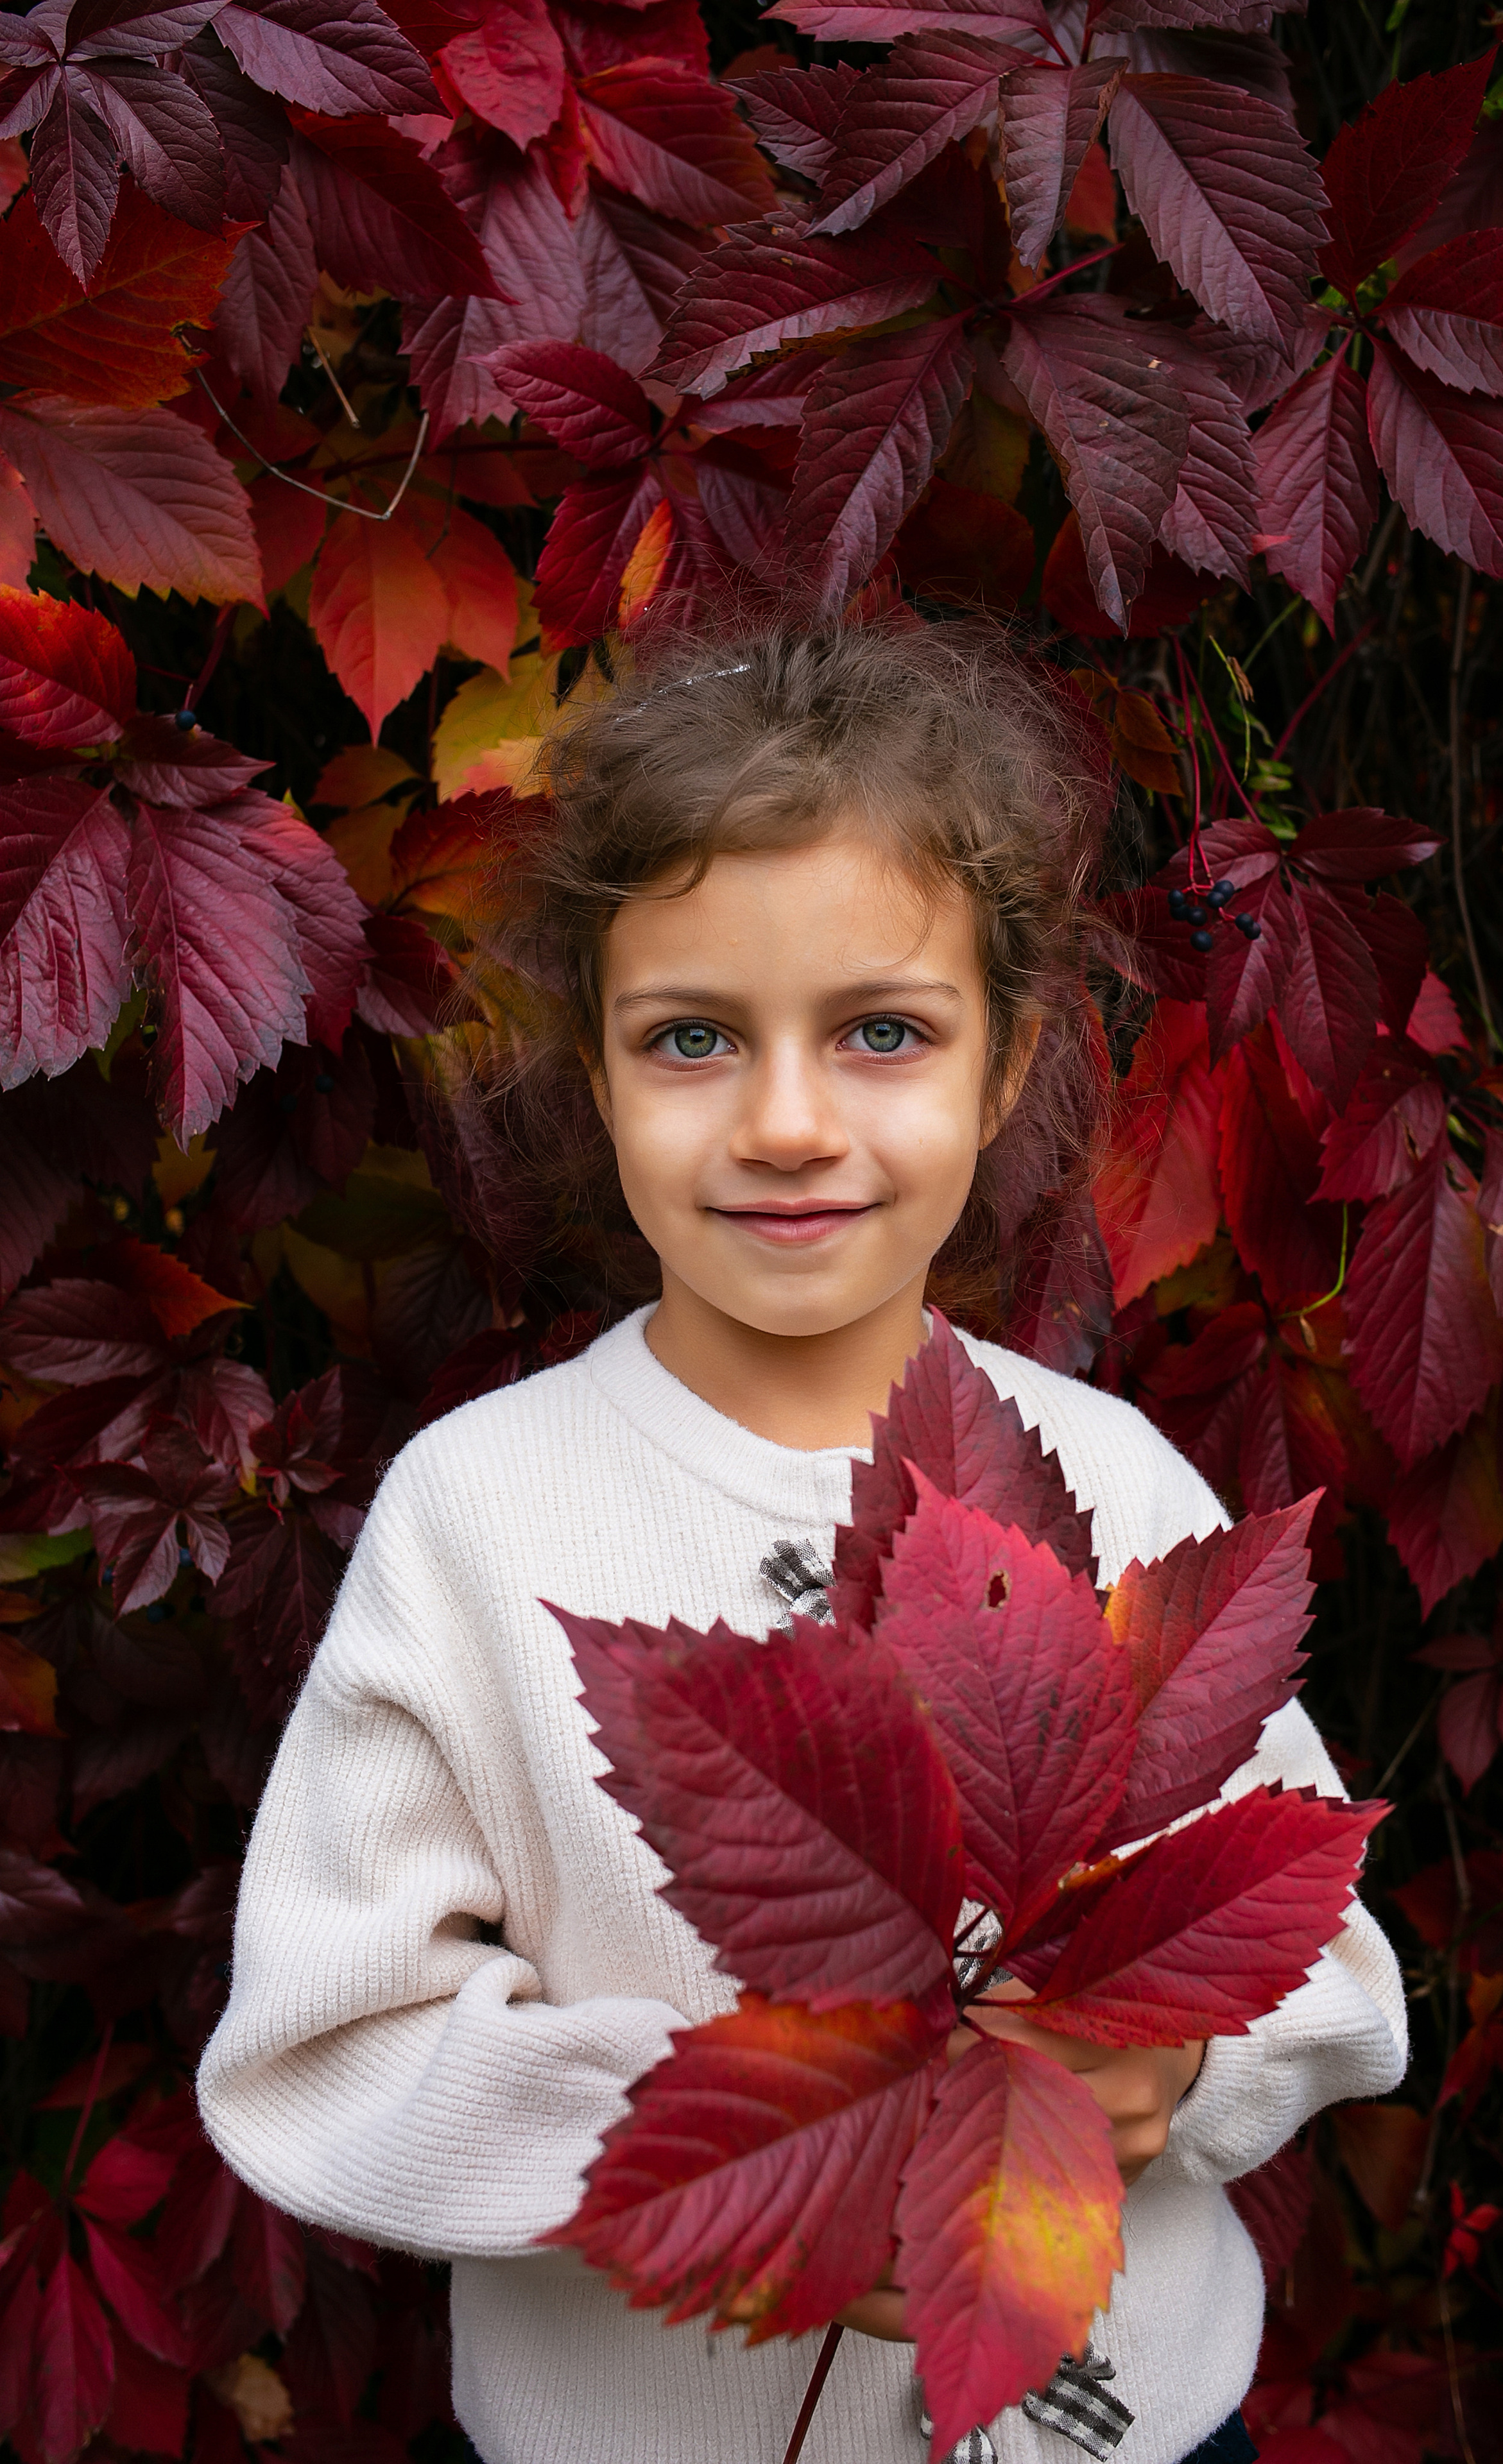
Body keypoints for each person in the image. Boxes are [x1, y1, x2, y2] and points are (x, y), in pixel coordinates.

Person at [199, 618, 1407, 2464]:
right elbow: (329, 2045)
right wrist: (763, 2155)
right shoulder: (482, 1513)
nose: (784, 1122)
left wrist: (1175, 2059)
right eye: (691, 1038)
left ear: (1004, 1074)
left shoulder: (1114, 1480)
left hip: (1132, 2432)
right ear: (594, 1082)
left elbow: (1309, 1942)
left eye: (881, 1034)